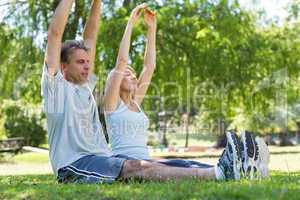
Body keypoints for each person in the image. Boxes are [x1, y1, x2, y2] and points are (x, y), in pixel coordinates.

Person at [42, 0, 246, 184]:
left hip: (103, 158)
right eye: (80, 62)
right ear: (63, 67)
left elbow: (91, 34)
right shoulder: (56, 88)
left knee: (168, 163)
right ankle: (218, 174)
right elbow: (55, 33)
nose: (87, 66)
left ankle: (237, 166)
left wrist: (97, 2)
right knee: (136, 168)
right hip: (74, 165)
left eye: (88, 61)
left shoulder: (85, 87)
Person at [103, 4, 270, 179]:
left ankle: (246, 165)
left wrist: (152, 29)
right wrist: (131, 23)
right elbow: (121, 61)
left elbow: (149, 66)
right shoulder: (113, 105)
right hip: (125, 164)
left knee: (186, 163)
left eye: (134, 75)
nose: (134, 77)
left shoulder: (136, 101)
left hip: (145, 160)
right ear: (114, 80)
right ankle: (228, 171)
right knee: (180, 167)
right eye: (127, 74)